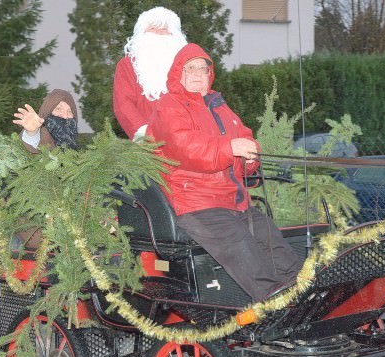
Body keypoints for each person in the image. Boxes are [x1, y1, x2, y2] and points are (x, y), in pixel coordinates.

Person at [148, 43, 301, 302]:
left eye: (203, 69)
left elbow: (244, 139)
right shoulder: (169, 107)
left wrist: (250, 158)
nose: (198, 74)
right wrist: (231, 148)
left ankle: (302, 293)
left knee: (275, 244)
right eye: (190, 68)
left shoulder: (220, 107)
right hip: (196, 203)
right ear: (178, 73)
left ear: (211, 74)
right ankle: (272, 305)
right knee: (245, 250)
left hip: (234, 201)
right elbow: (185, 148)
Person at [11, 89, 79, 249]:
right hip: (34, 221)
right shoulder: (43, 136)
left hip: (67, 222)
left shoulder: (73, 152)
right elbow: (31, 151)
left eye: (70, 112)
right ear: (46, 113)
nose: (64, 115)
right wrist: (31, 131)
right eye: (58, 109)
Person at [113, 7, 187, 140]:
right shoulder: (127, 66)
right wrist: (144, 134)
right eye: (153, 28)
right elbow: (124, 105)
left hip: (186, 139)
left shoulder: (187, 65)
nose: (158, 33)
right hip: (149, 144)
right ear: (141, 32)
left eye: (164, 29)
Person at [13, 88, 79, 153]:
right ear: (47, 111)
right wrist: (32, 132)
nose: (65, 116)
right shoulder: (44, 136)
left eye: (69, 111)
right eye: (58, 109)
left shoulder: (72, 148)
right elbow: (33, 145)